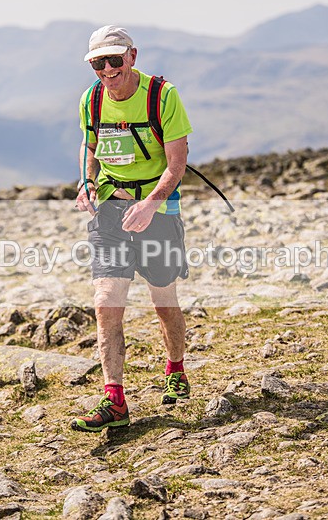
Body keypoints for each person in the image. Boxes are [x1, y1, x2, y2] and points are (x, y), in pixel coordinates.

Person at [71, 25, 193, 432]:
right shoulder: (91, 100)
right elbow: (90, 147)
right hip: (110, 210)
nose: (106, 70)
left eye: (114, 60)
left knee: (163, 299)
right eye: (97, 63)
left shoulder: (163, 96)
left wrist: (151, 204)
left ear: (132, 56)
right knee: (107, 300)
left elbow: (177, 163)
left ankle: (174, 367)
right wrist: (87, 183)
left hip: (158, 211)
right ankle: (114, 400)